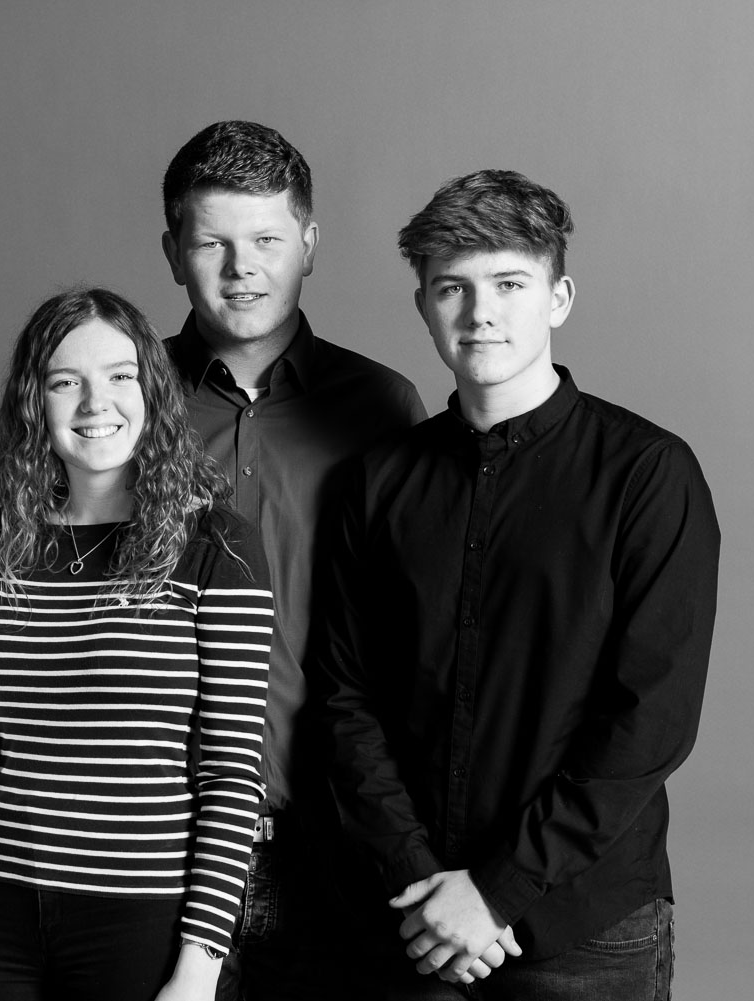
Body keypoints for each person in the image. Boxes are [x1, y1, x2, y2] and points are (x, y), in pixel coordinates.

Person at [316, 170, 720, 1000]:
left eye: (508, 284)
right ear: (423, 306)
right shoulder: (376, 483)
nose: (480, 312)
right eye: (452, 288)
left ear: (558, 298)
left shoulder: (649, 475)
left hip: (587, 928)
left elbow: (650, 719)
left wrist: (497, 890)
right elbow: (344, 697)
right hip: (412, 918)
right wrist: (422, 882)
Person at [158, 120, 428, 999]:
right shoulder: (119, 402)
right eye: (213, 243)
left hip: (333, 852)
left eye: (267, 240)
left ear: (309, 244)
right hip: (158, 847)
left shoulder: (382, 408)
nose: (242, 268)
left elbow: (417, 631)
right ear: (173, 253)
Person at [0, 287, 274, 1001]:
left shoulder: (216, 545)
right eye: (65, 382)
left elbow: (232, 774)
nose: (96, 403)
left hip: (139, 914)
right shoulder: (1, 539)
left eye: (119, 376)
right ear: (35, 404)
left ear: (152, 392)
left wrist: (199, 966)